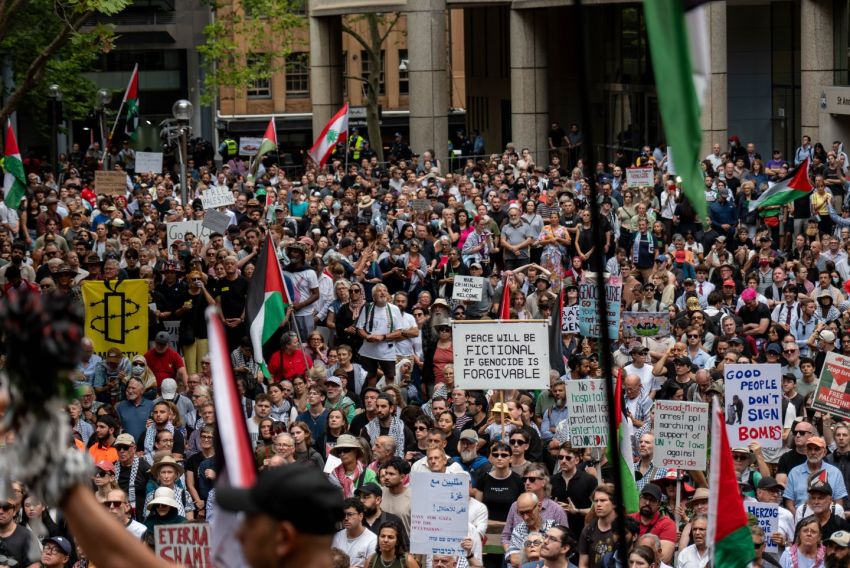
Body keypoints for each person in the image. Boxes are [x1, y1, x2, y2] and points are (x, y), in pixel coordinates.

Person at [578, 484, 618, 568]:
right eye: (596, 501)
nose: (598, 504)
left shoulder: (624, 529)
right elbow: (583, 564)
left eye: (603, 500)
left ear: (614, 503)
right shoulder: (588, 530)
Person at [332, 498, 377, 568]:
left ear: (361, 516)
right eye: (343, 515)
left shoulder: (372, 540)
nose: (346, 518)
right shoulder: (337, 537)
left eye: (350, 514)